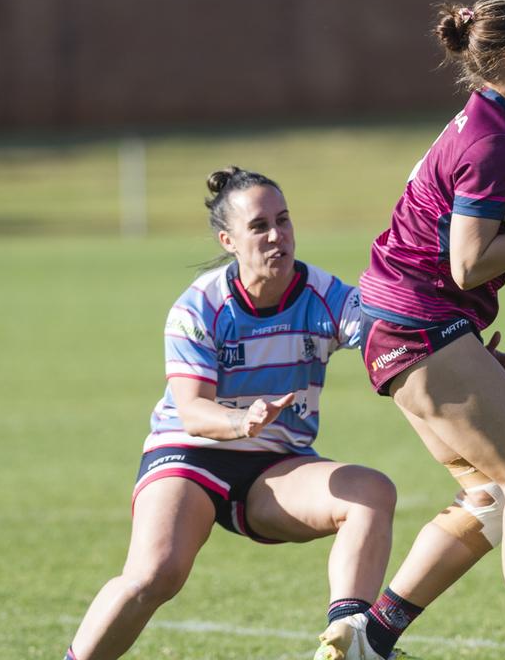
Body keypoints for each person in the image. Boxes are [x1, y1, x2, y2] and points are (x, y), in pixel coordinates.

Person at [313, 0, 505, 660]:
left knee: (489, 497)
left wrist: (471, 358)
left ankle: (372, 637)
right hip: (417, 323)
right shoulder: (490, 140)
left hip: (406, 323)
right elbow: (466, 264)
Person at [62, 166, 400, 660]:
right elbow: (193, 411)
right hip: (189, 456)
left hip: (275, 466)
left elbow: (396, 338)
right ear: (228, 240)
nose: (276, 236)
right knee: (155, 574)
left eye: (283, 221)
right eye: (259, 226)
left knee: (372, 493)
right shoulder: (198, 307)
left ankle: (347, 646)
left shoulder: (324, 296)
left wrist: (465, 356)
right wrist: (241, 422)